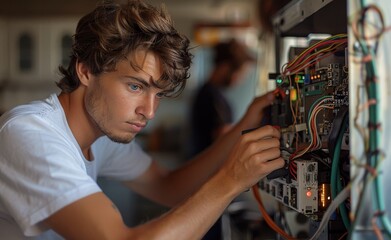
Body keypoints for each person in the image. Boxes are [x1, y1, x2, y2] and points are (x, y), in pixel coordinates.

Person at [0, 1, 284, 239]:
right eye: (135, 86)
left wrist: (245, 124)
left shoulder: (101, 133)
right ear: (86, 71)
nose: (149, 112)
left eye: (158, 93)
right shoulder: (30, 134)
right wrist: (230, 181)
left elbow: (169, 187)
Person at [190, 39, 255, 157]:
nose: (239, 80)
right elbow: (223, 136)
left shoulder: (211, 93)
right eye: (240, 74)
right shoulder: (210, 96)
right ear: (225, 67)